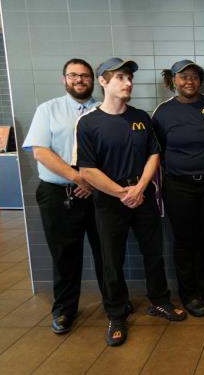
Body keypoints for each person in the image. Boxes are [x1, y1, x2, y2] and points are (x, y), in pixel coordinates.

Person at [74, 58, 186, 347]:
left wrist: (140, 188)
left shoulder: (140, 117)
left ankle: (159, 301)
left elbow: (154, 155)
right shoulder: (88, 123)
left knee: (154, 253)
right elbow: (87, 169)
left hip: (143, 195)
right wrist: (122, 193)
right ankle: (116, 313)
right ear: (103, 82)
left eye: (130, 78)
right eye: (121, 78)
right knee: (111, 260)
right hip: (110, 202)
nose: (128, 83)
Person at [22, 58, 104, 334]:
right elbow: (40, 152)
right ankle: (64, 310)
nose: (79, 80)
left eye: (85, 76)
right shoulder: (48, 110)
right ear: (64, 79)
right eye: (73, 75)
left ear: (94, 80)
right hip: (59, 194)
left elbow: (112, 153)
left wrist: (92, 183)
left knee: (105, 251)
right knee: (65, 255)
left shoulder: (104, 111)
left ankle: (114, 304)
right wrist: (79, 178)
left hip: (98, 195)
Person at [152, 60, 204, 316]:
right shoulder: (163, 113)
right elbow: (157, 152)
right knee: (184, 241)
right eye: (183, 76)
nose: (189, 81)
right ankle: (190, 294)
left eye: (194, 77)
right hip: (178, 187)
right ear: (173, 80)